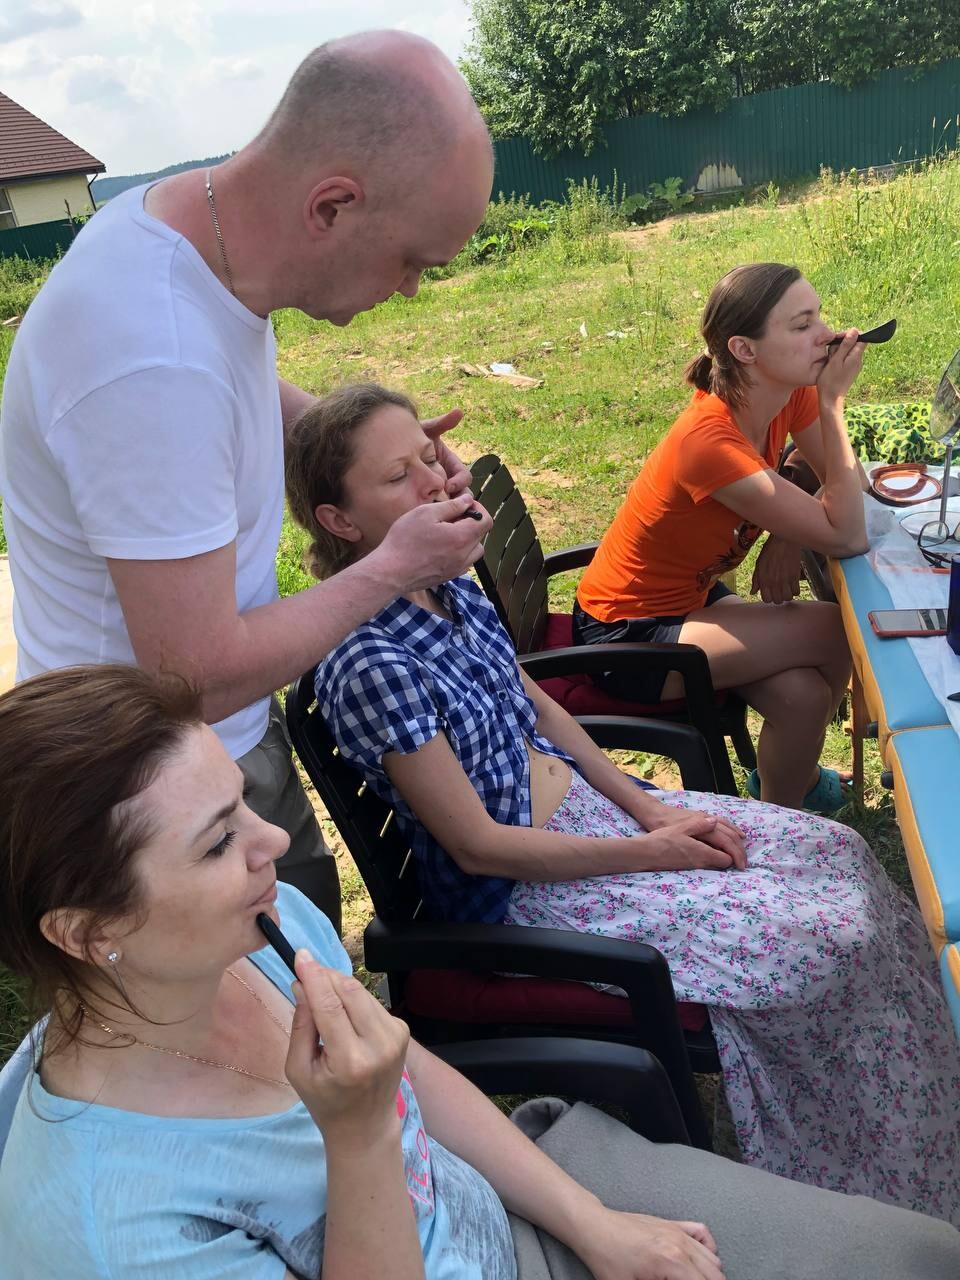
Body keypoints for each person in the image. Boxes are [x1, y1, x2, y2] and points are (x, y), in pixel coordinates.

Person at [1, 667, 959, 1280]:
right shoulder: (112, 1229)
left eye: (244, 803)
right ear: (87, 931)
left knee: (919, 1255)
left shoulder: (264, 932)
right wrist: (358, 1135)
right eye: (217, 843)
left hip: (514, 1208)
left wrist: (595, 1224)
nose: (274, 846)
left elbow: (410, 1070)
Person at [284, 381, 960, 1223]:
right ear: (340, 520)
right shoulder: (372, 662)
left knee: (842, 854)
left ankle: (926, 1113)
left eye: (432, 456)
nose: (434, 481)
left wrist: (649, 809)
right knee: (833, 939)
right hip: (528, 892)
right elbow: (482, 848)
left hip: (593, 822)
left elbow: (537, 704)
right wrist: (654, 848)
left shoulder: (442, 584)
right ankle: (880, 1188)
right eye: (399, 477)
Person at [0, 31, 496, 931]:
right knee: (275, 1001)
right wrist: (395, 565)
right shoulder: (147, 351)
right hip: (145, 805)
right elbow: (192, 674)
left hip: (209, 749)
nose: (412, 290)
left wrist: (361, 446)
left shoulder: (183, 238)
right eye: (413, 261)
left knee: (308, 960)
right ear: (332, 205)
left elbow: (229, 385)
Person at [574, 263, 869, 811]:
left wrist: (787, 534)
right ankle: (791, 811)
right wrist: (834, 404)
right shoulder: (709, 441)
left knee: (805, 696)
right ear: (745, 349)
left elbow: (845, 487)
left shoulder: (786, 394)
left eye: (819, 317)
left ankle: (787, 803)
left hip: (690, 599)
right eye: (803, 324)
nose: (826, 334)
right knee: (837, 630)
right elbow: (848, 534)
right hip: (626, 636)